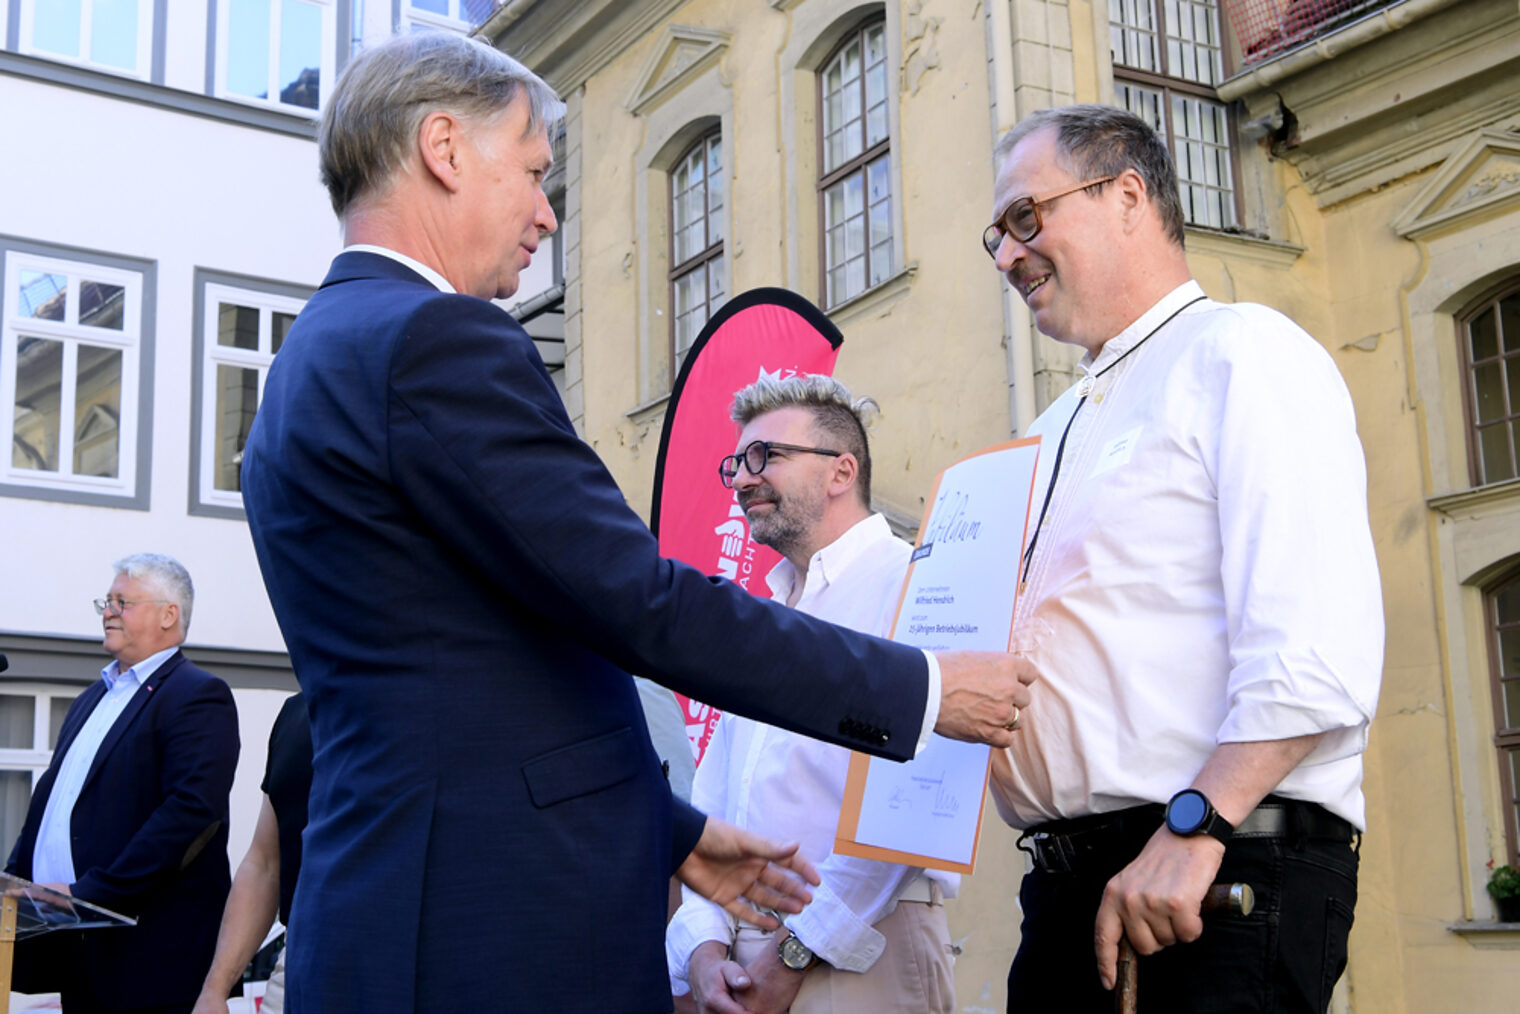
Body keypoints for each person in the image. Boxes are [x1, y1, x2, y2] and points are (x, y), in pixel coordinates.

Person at [238, 32, 1035, 1014]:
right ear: (443, 148)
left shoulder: (318, 354)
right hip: (485, 932)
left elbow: (470, 685)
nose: (546, 213)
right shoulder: (433, 340)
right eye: (533, 172)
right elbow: (632, 597)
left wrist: (670, 831)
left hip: (420, 909)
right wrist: (919, 689)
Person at [983, 104, 1384, 1012]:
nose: (1008, 256)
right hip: (1065, 886)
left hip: (1213, 872)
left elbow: (1315, 646)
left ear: (1127, 193)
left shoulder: (1245, 353)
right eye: (996, 237)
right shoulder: (1046, 434)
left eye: (1024, 218)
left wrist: (1196, 823)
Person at [667, 375, 959, 1014]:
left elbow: (914, 807)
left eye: (765, 457)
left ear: (840, 472)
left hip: (864, 955)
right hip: (741, 968)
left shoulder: (917, 587)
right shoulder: (764, 612)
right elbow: (713, 801)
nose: (742, 479)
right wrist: (704, 948)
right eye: (736, 464)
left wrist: (799, 950)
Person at [5, 553, 239, 1014]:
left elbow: (190, 814)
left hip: (151, 957)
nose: (108, 611)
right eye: (106, 602)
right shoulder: (93, 698)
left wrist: (92, 890)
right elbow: (53, 801)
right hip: (77, 945)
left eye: (122, 601)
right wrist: (16, 880)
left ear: (169, 614)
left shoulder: (197, 695)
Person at [192, 693, 312, 1014]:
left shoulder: (425, 696)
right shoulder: (296, 712)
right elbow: (264, 863)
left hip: (400, 961)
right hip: (298, 960)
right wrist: (215, 990)